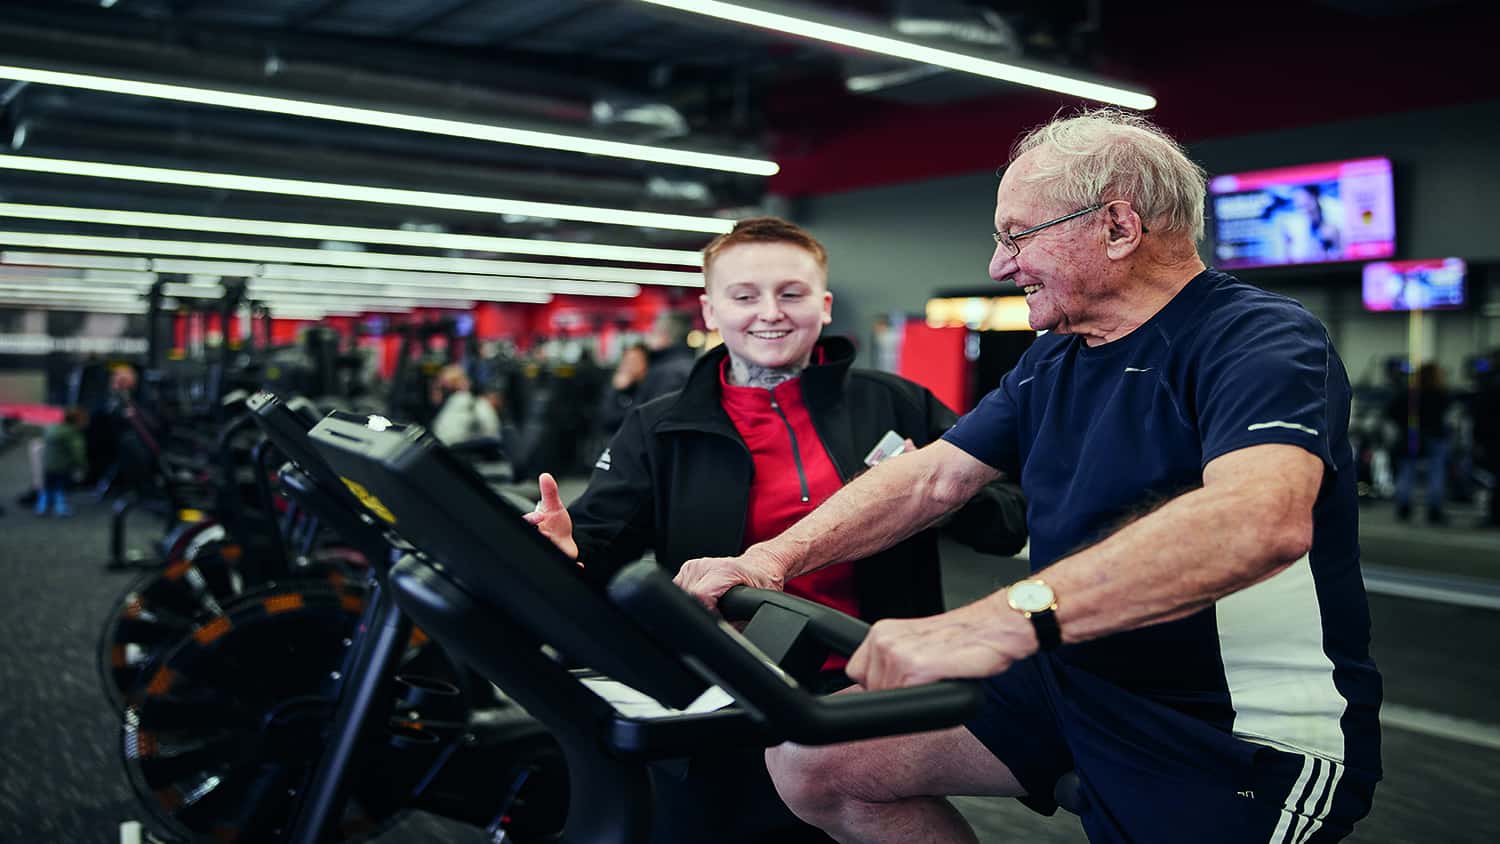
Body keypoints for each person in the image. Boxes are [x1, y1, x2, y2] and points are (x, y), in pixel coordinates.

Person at [676, 110, 1381, 844]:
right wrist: (771, 559)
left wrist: (994, 624)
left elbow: (1255, 521)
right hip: (1071, 677)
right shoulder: (1055, 358)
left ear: (1117, 226)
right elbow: (931, 478)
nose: (999, 265)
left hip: (1225, 726)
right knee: (815, 758)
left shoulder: (1257, 338)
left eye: (1016, 235)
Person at [524, 215, 1028, 843]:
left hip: (869, 679)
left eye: (791, 293)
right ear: (710, 310)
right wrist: (564, 548)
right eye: (744, 296)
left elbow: (1008, 520)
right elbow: (601, 549)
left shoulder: (895, 402)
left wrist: (934, 491)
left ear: (823, 303)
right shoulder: (660, 426)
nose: (771, 313)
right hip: (728, 682)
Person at [1386, 362, 1452, 524]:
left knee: (1407, 470)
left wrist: (1405, 425)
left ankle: (1404, 505)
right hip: (1435, 436)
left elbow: (1391, 411)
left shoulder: (1410, 393)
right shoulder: (1441, 394)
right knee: (1436, 471)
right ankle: (1434, 509)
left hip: (1412, 435)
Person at [634, 309, 697, 404]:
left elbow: (652, 413)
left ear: (664, 336)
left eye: (653, 332)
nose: (648, 337)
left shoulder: (666, 372)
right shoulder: (690, 364)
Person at [429, 364, 501, 445]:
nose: (436, 392)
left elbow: (490, 433)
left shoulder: (465, 401)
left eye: (442, 387)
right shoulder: (459, 402)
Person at [37, 406, 89, 517]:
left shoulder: (52, 428)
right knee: (60, 489)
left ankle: (41, 507)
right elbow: (78, 452)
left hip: (48, 465)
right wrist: (82, 465)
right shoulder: (72, 434)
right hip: (62, 466)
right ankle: (60, 508)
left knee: (47, 487)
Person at [598, 343, 650, 438]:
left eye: (634, 360)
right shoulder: (618, 384)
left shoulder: (649, 386)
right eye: (626, 360)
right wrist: (616, 391)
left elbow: (637, 417)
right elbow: (607, 417)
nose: (629, 365)